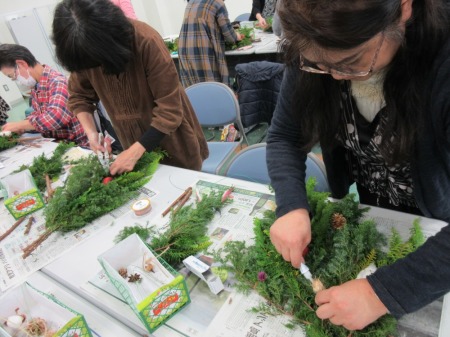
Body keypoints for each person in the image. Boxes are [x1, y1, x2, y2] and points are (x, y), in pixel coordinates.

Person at [267, 0, 450, 331]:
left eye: (351, 62)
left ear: (404, 9)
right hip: (374, 205)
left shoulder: (442, 63)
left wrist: (382, 293)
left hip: (438, 224)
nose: (336, 76)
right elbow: (283, 135)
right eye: (318, 64)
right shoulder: (313, 46)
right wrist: (292, 205)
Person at [52, 0, 208, 174]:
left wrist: (135, 152)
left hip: (172, 139)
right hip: (128, 139)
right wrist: (91, 133)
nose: (94, 67)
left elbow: (169, 109)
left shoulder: (146, 41)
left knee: (181, 185)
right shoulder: (83, 49)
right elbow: (79, 96)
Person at [0, 44, 88, 146]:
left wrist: (19, 125)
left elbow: (56, 117)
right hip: (56, 143)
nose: (17, 81)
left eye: (13, 76)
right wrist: (22, 127)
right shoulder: (37, 86)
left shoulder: (57, 81)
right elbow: (37, 114)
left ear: (22, 64)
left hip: (76, 146)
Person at [177, 0, 243, 87]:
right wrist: (237, 36)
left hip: (185, 50)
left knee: (194, 90)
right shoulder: (218, 3)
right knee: (212, 89)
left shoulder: (192, 2)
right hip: (203, 50)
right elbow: (229, 36)